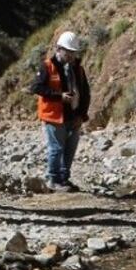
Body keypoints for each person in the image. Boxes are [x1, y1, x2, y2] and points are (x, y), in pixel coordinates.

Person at [31, 31, 91, 192]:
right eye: (68, 52)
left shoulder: (78, 69)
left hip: (73, 115)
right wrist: (59, 96)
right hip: (54, 116)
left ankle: (64, 179)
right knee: (56, 149)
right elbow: (36, 87)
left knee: (70, 149)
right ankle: (53, 179)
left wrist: (82, 115)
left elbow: (85, 93)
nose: (70, 55)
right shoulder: (47, 66)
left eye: (73, 52)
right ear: (59, 49)